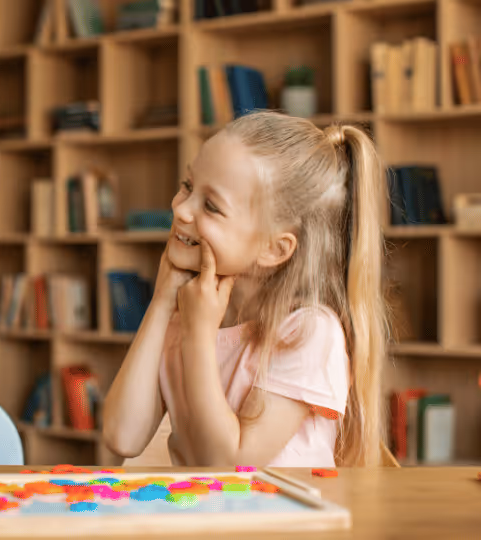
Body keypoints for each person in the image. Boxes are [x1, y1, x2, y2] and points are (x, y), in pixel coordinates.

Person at [103, 111, 388, 467]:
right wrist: (162, 302)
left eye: (211, 206)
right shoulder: (192, 310)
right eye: (188, 186)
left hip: (277, 519)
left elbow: (229, 466)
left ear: (274, 249)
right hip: (201, 511)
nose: (180, 208)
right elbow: (122, 436)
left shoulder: (309, 332)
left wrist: (198, 336)